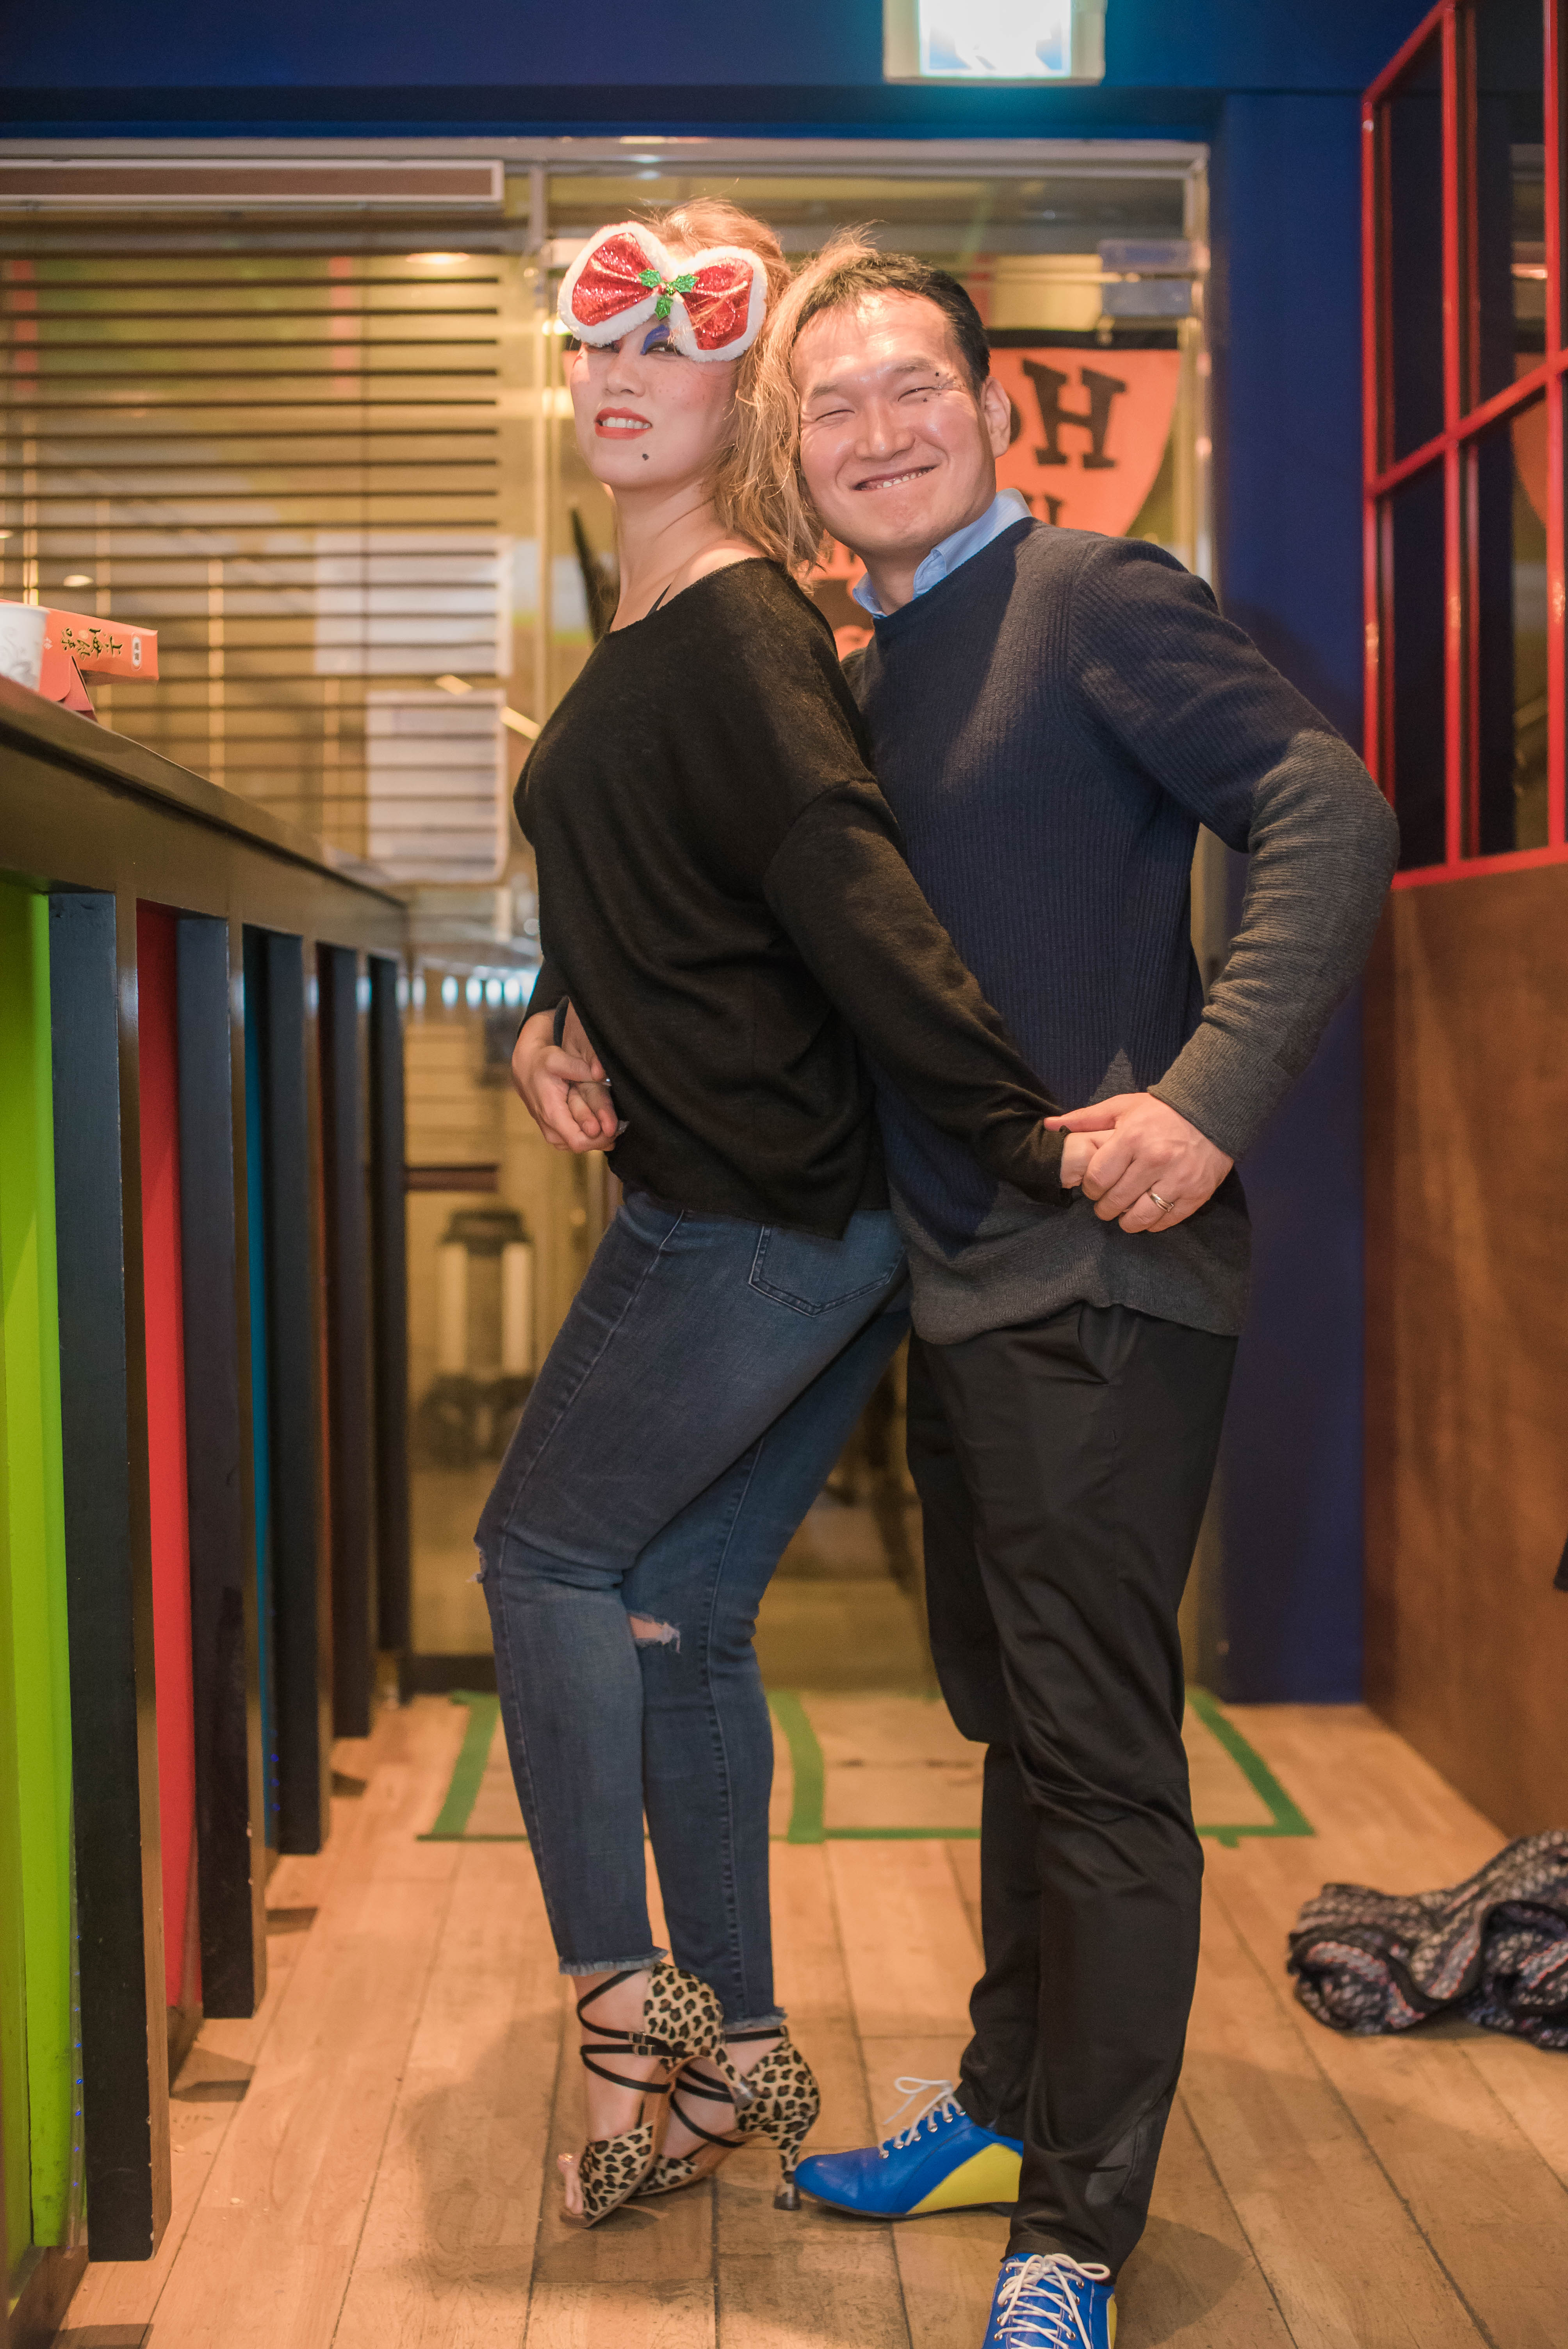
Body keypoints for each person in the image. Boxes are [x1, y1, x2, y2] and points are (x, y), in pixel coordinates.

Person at [739, 240, 1401, 2349]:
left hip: (1105, 1277)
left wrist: (1209, 1101)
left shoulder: (1092, 597)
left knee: (1099, 1764)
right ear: (797, 454)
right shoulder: (868, 673)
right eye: (834, 406)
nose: (877, 432)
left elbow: (1327, 810)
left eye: (915, 389)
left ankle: (1076, 2236)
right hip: (956, 1281)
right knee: (1018, 1727)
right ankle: (1011, 2102)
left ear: (997, 408)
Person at [479, 200, 1086, 2230]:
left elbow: (843, 881)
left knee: (542, 1550)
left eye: (686, 335)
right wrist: (553, 1011)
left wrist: (1034, 1141)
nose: (625, 368)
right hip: (806, 1218)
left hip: (754, 1209)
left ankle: (621, 2023)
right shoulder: (662, 615)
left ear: (745, 395)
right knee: (678, 1606)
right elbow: (681, 885)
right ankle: (737, 2044)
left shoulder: (739, 625)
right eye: (603, 331)